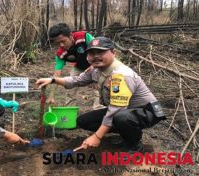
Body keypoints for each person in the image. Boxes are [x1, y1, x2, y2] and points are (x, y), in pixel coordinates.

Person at [36, 37, 166, 155]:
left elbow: (115, 110)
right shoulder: (95, 70)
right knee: (84, 121)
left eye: (101, 52)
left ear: (113, 53)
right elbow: (76, 80)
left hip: (148, 110)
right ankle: (125, 135)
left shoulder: (121, 75)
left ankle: (135, 146)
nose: (96, 56)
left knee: (121, 118)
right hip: (125, 109)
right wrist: (53, 80)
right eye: (92, 53)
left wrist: (97, 137)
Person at [48, 23, 102, 109]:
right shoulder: (60, 53)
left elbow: (101, 52)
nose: (61, 45)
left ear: (70, 36)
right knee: (70, 88)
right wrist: (51, 95)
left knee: (98, 88)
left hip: (97, 65)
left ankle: (99, 111)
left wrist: (93, 68)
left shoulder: (84, 37)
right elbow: (56, 75)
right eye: (58, 43)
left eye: (63, 41)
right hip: (79, 67)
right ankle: (69, 112)